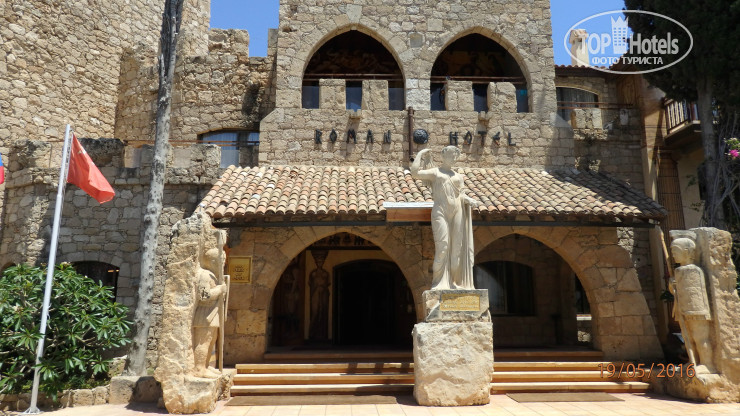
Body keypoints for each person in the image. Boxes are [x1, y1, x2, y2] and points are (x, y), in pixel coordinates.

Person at [410, 146, 479, 290]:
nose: (453, 158)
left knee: (456, 249)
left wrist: (468, 199)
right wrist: (420, 154)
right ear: (443, 156)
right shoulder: (436, 172)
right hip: (440, 211)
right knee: (443, 247)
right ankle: (439, 283)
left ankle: (453, 282)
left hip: (457, 211)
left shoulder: (458, 177)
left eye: (455, 156)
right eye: (450, 155)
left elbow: (461, 194)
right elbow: (415, 173)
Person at [669, 236, 716, 374]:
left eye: (676, 250)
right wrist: (672, 286)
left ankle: (707, 364)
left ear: (687, 251)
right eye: (672, 251)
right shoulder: (678, 271)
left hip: (696, 310)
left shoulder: (695, 270)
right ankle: (692, 361)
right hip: (683, 308)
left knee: (700, 338)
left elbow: (697, 291)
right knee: (688, 338)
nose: (673, 254)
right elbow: (677, 291)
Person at [192, 248, 228, 378]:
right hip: (205, 313)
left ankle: (206, 365)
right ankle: (199, 368)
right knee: (203, 342)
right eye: (221, 261)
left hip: (213, 312)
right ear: (212, 261)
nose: (223, 264)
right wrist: (219, 290)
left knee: (211, 340)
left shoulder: (214, 276)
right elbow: (204, 296)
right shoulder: (205, 275)